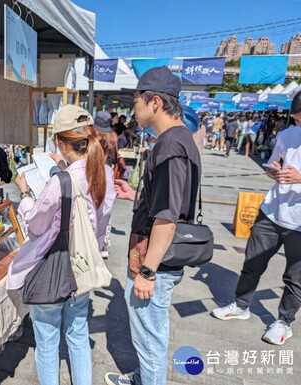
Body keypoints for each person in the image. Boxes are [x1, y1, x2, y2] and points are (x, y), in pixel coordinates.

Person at [104, 66, 201, 385]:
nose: (134, 108)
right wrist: (139, 196)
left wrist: (147, 272)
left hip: (154, 261)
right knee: (149, 336)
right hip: (158, 258)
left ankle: (149, 379)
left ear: (155, 102)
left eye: (136, 101)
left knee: (150, 342)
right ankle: (142, 378)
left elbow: (167, 216)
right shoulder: (181, 139)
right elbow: (169, 198)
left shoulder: (171, 145)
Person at [7, 104, 116, 385]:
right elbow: (101, 226)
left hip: (52, 268)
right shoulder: (105, 173)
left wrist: (26, 193)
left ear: (59, 142)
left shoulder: (60, 182)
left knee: (47, 342)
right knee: (78, 335)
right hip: (83, 266)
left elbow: (36, 225)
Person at [211, 91, 301, 345]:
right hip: (272, 211)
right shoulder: (286, 135)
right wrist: (273, 172)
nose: (298, 124)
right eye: (295, 119)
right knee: (252, 262)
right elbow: (274, 163)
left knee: (295, 277)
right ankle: (241, 305)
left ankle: (284, 322)